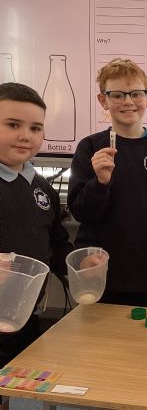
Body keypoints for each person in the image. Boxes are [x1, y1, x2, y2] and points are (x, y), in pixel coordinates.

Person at [68, 58, 147, 308]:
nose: (128, 101)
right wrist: (100, 183)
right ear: (103, 100)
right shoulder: (90, 147)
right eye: (117, 95)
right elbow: (81, 212)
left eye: (136, 93)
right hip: (100, 273)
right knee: (99, 332)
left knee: (143, 331)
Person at [0, 83, 72, 369]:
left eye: (35, 128)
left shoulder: (42, 187)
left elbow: (56, 243)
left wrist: (78, 265)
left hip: (25, 316)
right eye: (13, 124)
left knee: (19, 381)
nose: (25, 135)